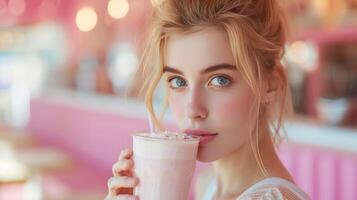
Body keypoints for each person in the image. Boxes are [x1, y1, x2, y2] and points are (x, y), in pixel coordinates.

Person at [106, 0, 311, 199]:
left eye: (219, 80)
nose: (192, 109)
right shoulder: (208, 184)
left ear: (270, 84)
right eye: (178, 82)